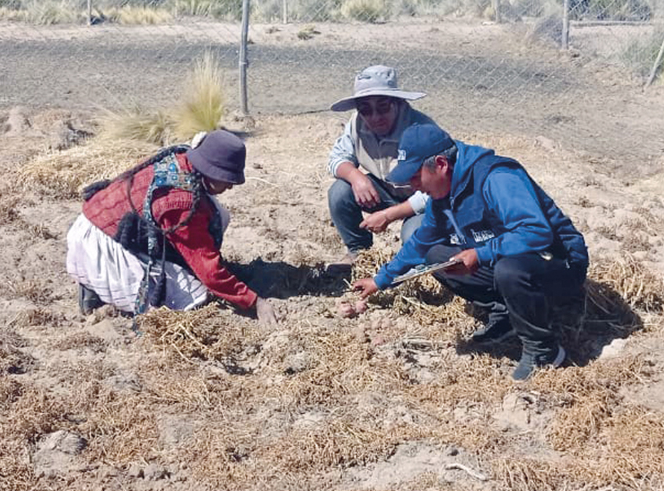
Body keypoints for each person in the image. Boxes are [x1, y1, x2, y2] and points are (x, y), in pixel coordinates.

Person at [351, 124, 588, 381]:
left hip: (559, 262)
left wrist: (481, 254)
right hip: (511, 260)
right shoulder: (443, 193)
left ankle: (544, 350)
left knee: (510, 270)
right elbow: (421, 243)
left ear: (441, 164)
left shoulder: (496, 177)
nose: (413, 186)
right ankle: (509, 312)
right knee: (436, 256)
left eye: (416, 176)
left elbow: (536, 233)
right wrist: (381, 280)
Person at [65, 130, 277, 324]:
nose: (230, 186)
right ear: (211, 171)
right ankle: (95, 288)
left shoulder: (184, 159)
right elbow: (209, 273)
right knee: (192, 296)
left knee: (218, 215)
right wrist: (254, 301)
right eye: (226, 179)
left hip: (110, 223)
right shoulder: (181, 203)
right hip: (99, 243)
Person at [326, 65, 438, 272]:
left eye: (383, 107)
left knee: (414, 235)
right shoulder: (357, 124)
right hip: (386, 190)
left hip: (425, 201)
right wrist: (356, 177)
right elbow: (336, 159)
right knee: (340, 191)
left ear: (398, 103)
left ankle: (415, 263)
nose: (375, 117)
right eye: (366, 109)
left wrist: (388, 215)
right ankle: (358, 252)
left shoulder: (422, 131)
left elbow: (435, 193)